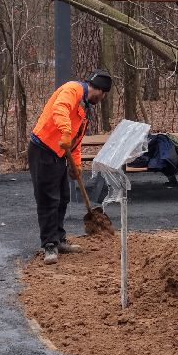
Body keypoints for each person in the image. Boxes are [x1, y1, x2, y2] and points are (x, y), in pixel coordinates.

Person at [29, 70, 111, 264]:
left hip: (59, 154)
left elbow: (75, 139)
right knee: (48, 199)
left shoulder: (84, 108)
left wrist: (76, 164)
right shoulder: (72, 89)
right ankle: (49, 245)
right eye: (104, 94)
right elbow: (60, 108)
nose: (103, 98)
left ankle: (59, 239)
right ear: (99, 90)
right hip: (43, 150)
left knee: (62, 198)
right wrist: (65, 131)